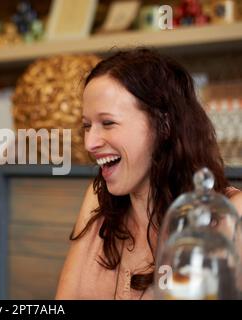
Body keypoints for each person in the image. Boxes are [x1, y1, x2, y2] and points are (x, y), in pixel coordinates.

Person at [55, 48, 242, 299]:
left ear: (163, 125)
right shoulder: (96, 199)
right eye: (87, 126)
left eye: (108, 123)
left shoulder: (232, 215)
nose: (90, 142)